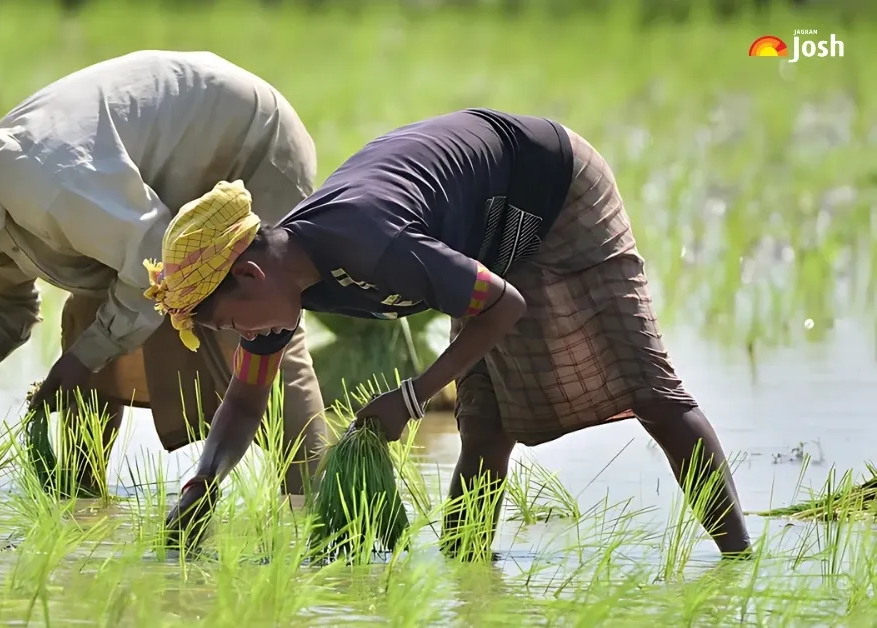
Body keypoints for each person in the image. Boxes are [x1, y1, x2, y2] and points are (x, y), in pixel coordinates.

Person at [150, 108, 752, 558]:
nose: (242, 334)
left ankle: (738, 561)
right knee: (485, 420)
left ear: (249, 274)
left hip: (552, 189)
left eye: (231, 322)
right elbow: (247, 397)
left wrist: (412, 398)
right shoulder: (278, 288)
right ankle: (469, 575)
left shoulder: (368, 241)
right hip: (481, 233)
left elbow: (504, 305)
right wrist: (205, 479)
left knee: (650, 390)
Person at [0, 50, 328, 495]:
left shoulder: (43, 182)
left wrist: (80, 361)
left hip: (246, 142)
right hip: (172, 174)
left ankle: (317, 506)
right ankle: (80, 493)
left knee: (259, 329)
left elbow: (155, 265)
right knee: (88, 320)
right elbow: (8, 309)